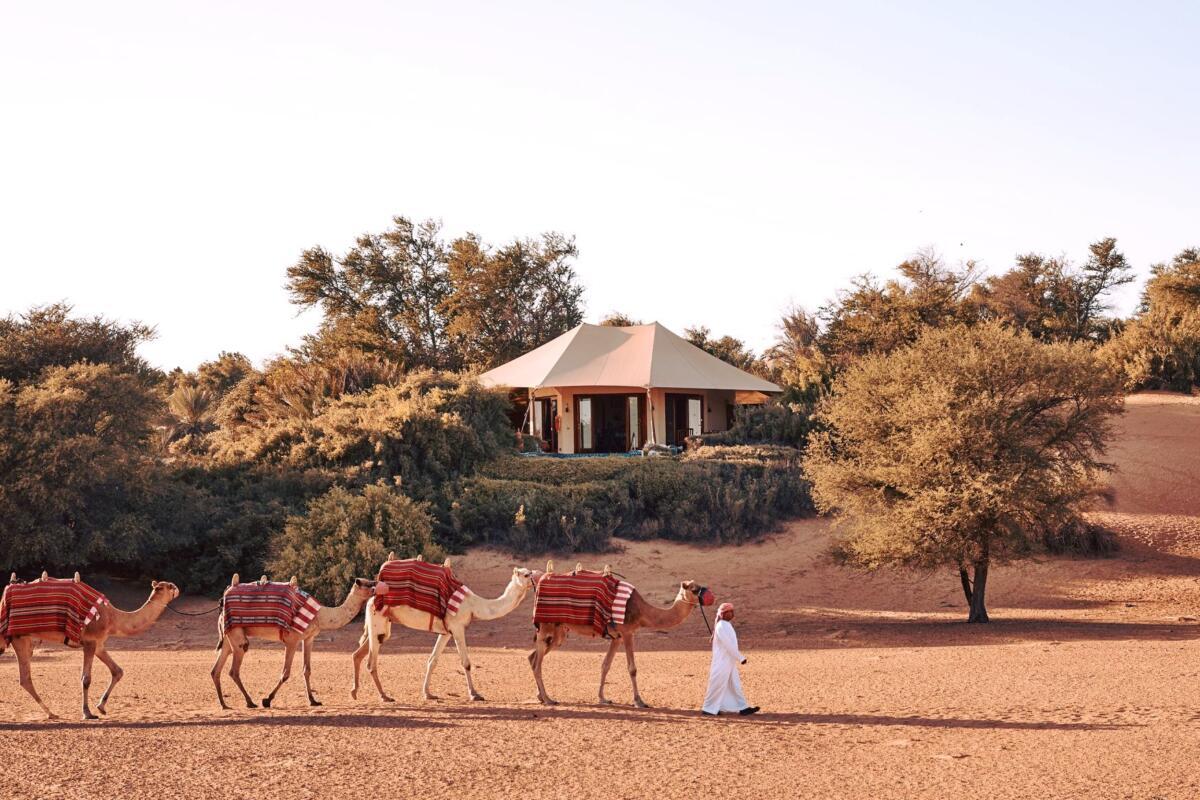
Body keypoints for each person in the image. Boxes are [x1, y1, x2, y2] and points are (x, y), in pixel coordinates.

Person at [701, 602, 759, 716]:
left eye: (732, 611)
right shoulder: (721, 626)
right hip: (722, 662)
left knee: (735, 685)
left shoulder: (726, 625)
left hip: (729, 661)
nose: (732, 614)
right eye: (729, 612)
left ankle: (743, 708)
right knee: (717, 684)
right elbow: (728, 644)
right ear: (723, 614)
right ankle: (708, 708)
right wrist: (740, 657)